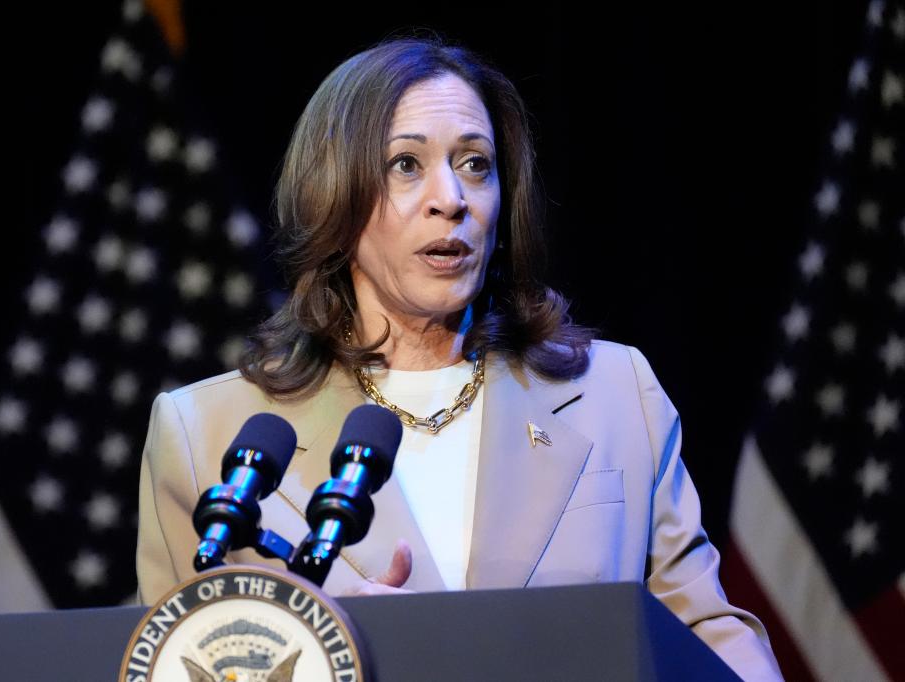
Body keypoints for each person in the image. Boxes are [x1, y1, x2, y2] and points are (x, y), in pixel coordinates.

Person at [136, 35, 784, 680]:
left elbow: (704, 631)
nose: (452, 198)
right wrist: (315, 655)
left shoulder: (615, 394)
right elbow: (167, 660)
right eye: (406, 165)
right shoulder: (205, 431)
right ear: (335, 191)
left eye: (475, 163)